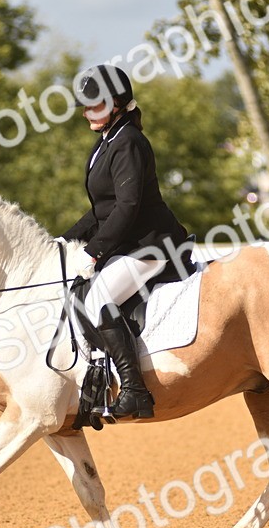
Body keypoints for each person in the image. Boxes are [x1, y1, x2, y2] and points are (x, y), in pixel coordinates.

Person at [61, 64, 191, 422]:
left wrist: (94, 251)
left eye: (94, 105)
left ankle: (134, 391)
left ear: (117, 103)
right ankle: (99, 377)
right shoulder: (106, 141)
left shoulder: (129, 141)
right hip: (128, 242)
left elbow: (127, 206)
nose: (87, 111)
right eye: (85, 106)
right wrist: (66, 240)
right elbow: (100, 210)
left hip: (150, 244)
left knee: (100, 298)